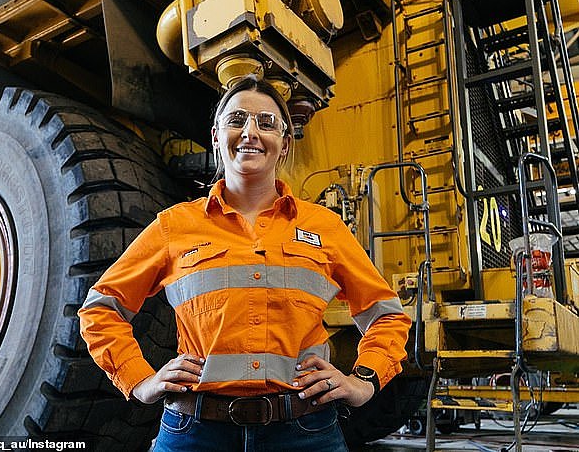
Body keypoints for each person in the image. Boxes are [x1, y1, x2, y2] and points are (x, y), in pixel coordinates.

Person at [78, 75, 411, 451]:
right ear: (217, 136)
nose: (250, 132)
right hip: (195, 432)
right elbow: (100, 310)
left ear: (284, 145)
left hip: (305, 432)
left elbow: (387, 314)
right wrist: (140, 381)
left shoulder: (324, 227)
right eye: (237, 120)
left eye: (266, 123)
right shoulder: (174, 227)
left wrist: (364, 382)